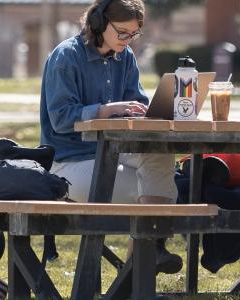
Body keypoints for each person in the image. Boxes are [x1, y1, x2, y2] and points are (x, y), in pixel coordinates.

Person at [38, 0, 184, 273]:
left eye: (134, 34)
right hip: (69, 163)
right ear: (100, 24)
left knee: (161, 157)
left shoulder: (125, 57)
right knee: (157, 192)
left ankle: (142, 262)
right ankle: (142, 264)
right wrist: (106, 110)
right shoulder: (66, 57)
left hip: (114, 152)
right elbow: (60, 118)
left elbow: (137, 105)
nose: (128, 41)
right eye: (122, 33)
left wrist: (157, 113)